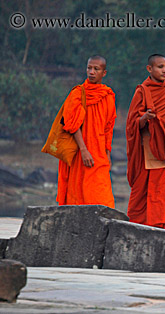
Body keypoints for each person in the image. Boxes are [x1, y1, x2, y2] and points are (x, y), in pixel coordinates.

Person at [126, 54, 165, 231]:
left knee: (164, 194)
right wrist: (144, 118)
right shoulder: (142, 91)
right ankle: (139, 228)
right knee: (142, 193)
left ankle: (163, 227)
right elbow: (131, 124)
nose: (164, 70)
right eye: (160, 67)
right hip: (147, 151)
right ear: (149, 69)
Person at [56, 55, 116, 208]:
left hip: (99, 153)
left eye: (96, 69)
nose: (92, 72)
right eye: (89, 68)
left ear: (104, 73)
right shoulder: (78, 93)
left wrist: (107, 154)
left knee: (103, 198)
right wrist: (83, 150)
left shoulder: (108, 96)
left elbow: (108, 127)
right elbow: (71, 124)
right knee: (78, 192)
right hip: (79, 152)